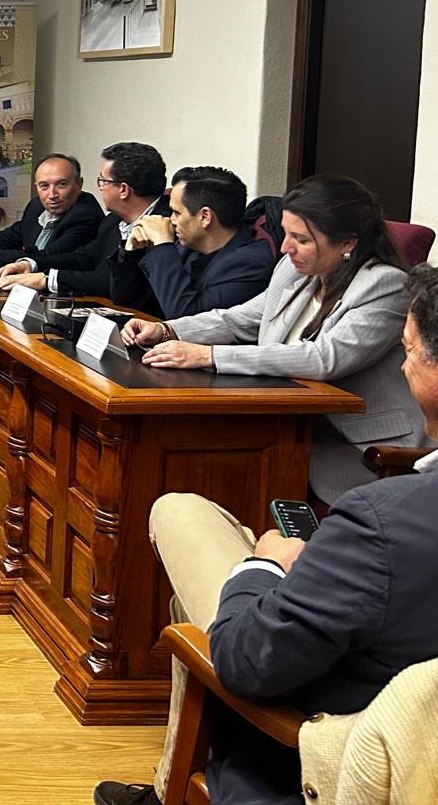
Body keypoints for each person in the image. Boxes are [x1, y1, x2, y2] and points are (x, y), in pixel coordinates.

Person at [93, 264, 438, 805]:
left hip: (337, 743)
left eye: (410, 351)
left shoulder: (380, 520)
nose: (401, 364)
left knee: (182, 515)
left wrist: (268, 567)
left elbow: (246, 661)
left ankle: (170, 789)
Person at [122, 174, 421, 503]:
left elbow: (324, 358)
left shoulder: (385, 285)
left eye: (301, 239)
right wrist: (169, 330)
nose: (284, 247)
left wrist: (208, 355)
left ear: (348, 243)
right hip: (287, 428)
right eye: (287, 234)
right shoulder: (294, 270)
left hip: (360, 450)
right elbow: (241, 319)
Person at [0, 141, 169, 315]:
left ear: (123, 190)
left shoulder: (167, 226)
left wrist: (45, 280)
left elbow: (108, 281)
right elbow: (84, 257)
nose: (100, 188)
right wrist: (31, 264)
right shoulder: (112, 221)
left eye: (102, 181)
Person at [119, 165, 276, 317]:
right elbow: (128, 301)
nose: (171, 220)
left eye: (176, 213)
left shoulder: (251, 264)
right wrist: (132, 251)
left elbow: (185, 316)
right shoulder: (187, 246)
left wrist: (162, 245)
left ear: (205, 217)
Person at [0, 153, 102, 270]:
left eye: (61, 184)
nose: (52, 195)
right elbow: (4, 238)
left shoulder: (86, 215)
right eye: (44, 186)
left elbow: (44, 257)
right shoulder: (36, 206)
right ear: (37, 186)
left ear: (78, 184)